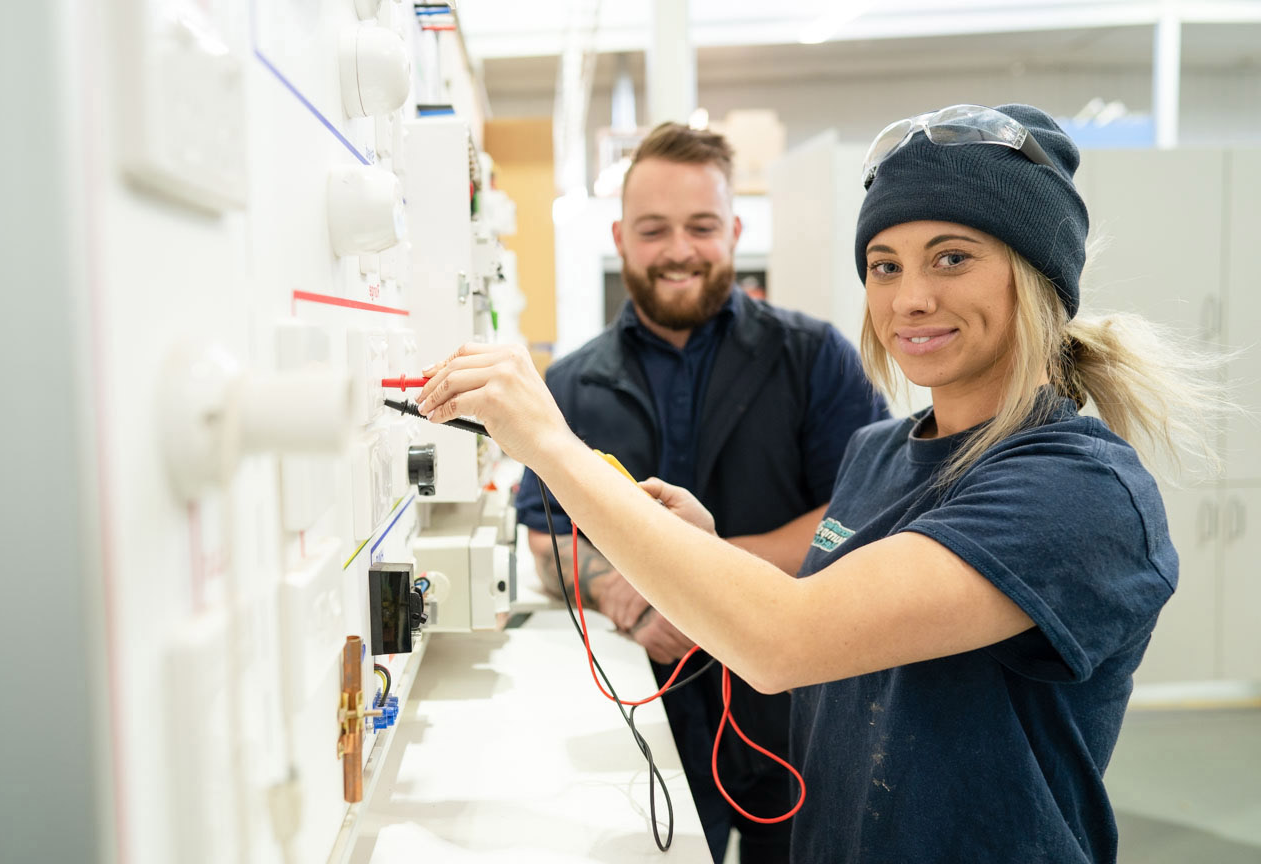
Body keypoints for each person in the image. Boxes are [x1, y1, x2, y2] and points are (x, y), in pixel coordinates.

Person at [416, 104, 1222, 863]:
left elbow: (785, 638)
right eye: (884, 264)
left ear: (1038, 274)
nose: (911, 297)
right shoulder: (879, 452)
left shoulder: (1076, 491)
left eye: (953, 257)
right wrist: (704, 550)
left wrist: (552, 447)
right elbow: (835, 604)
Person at [511, 121, 888, 863]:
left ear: (734, 230)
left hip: (799, 706)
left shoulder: (814, 359)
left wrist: (697, 581)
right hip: (649, 711)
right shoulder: (572, 386)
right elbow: (547, 536)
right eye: (654, 230)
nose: (679, 249)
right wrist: (625, 592)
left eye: (702, 226)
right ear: (621, 236)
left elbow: (861, 514)